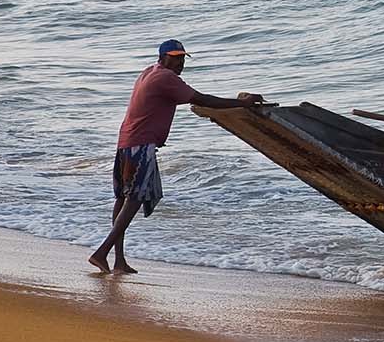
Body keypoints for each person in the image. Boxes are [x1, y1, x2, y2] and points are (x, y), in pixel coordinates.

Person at [89, 40, 265, 274]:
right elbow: (202, 99)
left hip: (126, 141)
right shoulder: (165, 78)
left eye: (182, 58)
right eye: (175, 57)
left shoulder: (149, 72)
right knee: (134, 199)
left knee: (123, 198)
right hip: (140, 144)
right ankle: (101, 253)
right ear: (162, 58)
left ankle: (118, 261)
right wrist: (243, 103)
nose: (180, 62)